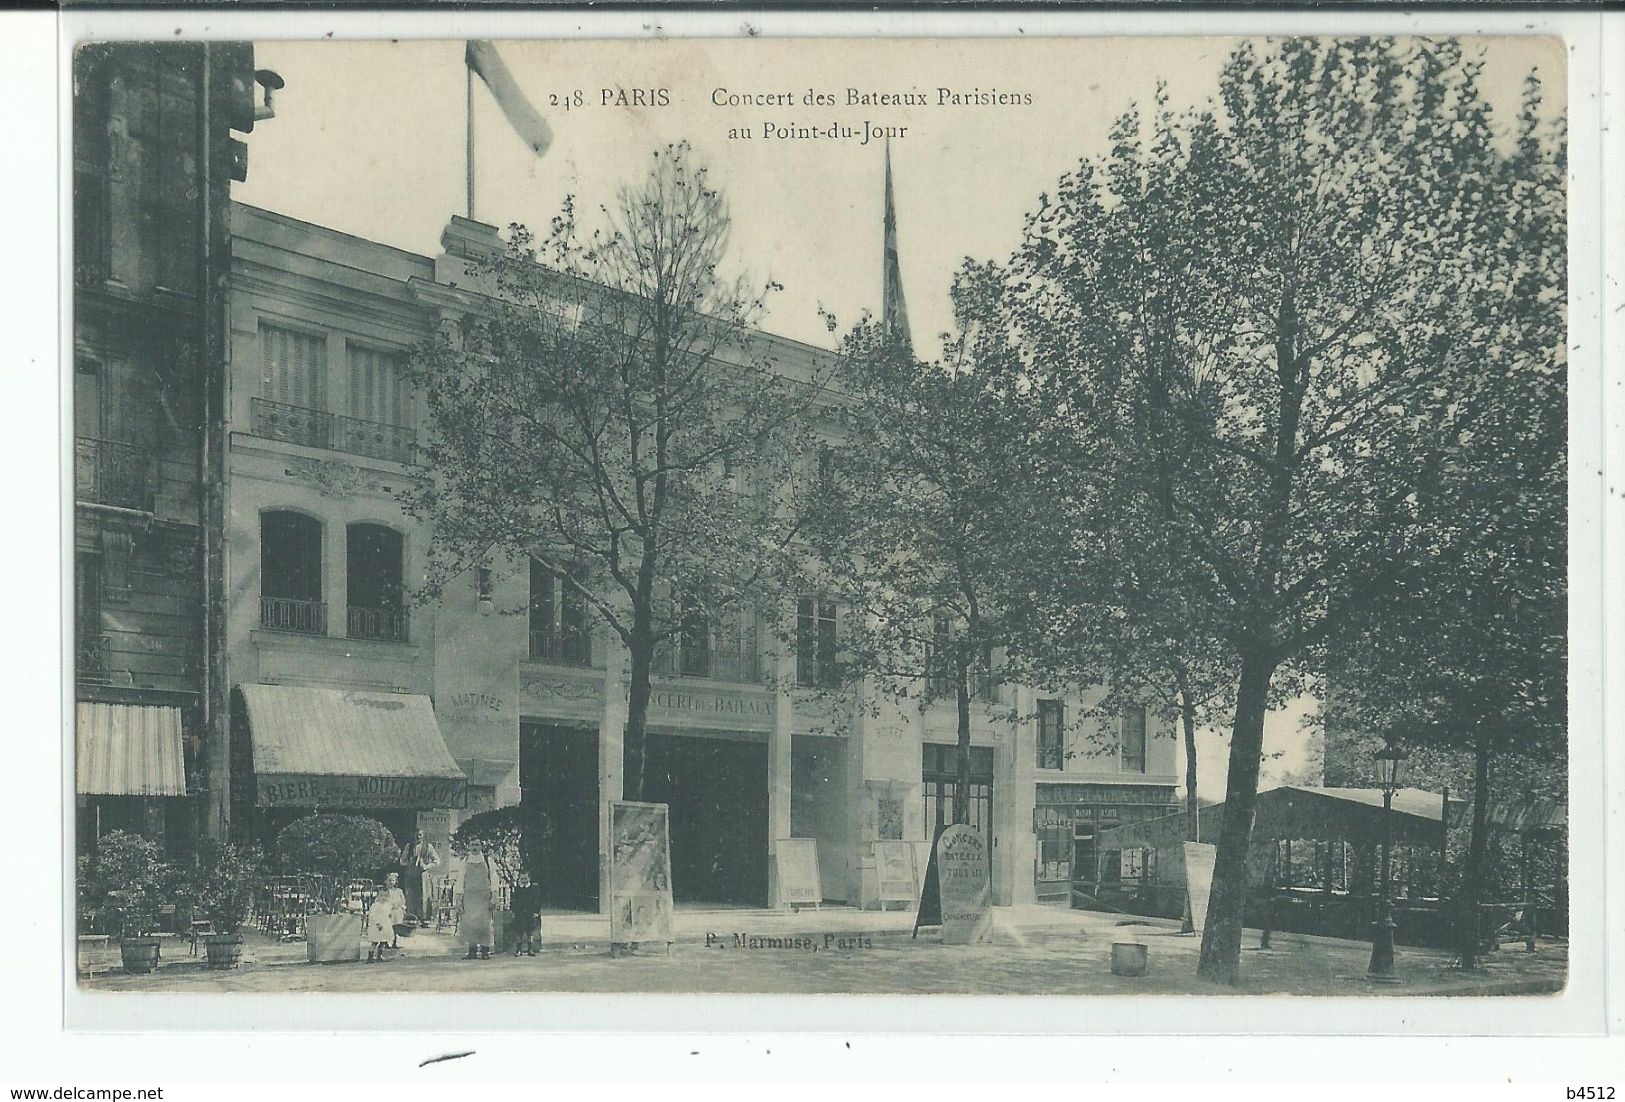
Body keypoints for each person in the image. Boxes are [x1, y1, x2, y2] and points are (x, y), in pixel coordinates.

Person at [399, 831, 439, 927]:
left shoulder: (428, 847)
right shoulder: (409, 846)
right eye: (416, 835)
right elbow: (402, 861)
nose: (418, 837)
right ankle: (412, 918)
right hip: (411, 875)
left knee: (424, 896)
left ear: (423, 836)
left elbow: (437, 861)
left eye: (420, 835)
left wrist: (426, 866)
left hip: (423, 876)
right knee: (411, 896)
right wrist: (409, 862)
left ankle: (424, 919)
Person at [460, 851, 495, 960]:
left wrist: (493, 897)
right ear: (469, 847)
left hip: (484, 898)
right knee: (470, 924)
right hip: (470, 898)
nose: (475, 847)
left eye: (477, 844)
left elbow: (494, 879)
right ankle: (472, 951)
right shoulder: (465, 861)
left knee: (484, 924)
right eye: (472, 845)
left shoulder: (488, 860)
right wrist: (458, 899)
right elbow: (460, 880)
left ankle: (485, 951)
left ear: (480, 846)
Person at [365, 872, 406, 964]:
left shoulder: (387, 905)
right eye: (381, 896)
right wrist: (377, 923)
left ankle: (379, 956)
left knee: (383, 940)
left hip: (385, 925)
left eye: (385, 897)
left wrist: (391, 914)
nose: (383, 898)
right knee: (375, 942)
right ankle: (370, 957)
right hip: (377, 926)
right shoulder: (375, 905)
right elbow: (373, 915)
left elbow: (389, 912)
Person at [510, 870, 542, 957]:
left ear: (529, 878)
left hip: (530, 912)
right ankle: (518, 949)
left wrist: (536, 912)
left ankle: (530, 949)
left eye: (525, 878)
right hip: (520, 913)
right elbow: (514, 901)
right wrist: (513, 911)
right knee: (519, 931)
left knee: (529, 931)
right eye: (522, 879)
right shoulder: (517, 889)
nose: (524, 880)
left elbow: (537, 901)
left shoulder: (534, 889)